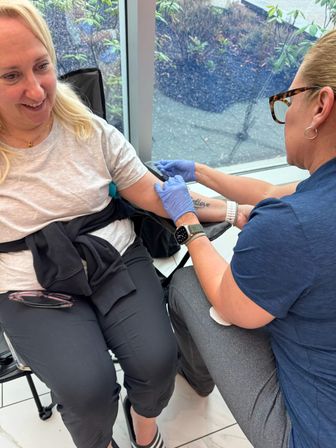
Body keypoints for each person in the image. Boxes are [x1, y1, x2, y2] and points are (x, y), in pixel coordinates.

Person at [0, 1, 239, 448]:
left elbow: (154, 192)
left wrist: (230, 210)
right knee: (86, 391)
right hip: (29, 285)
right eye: (10, 76)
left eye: (41, 66)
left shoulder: (85, 127)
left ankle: (143, 426)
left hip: (113, 257)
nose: (36, 90)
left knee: (158, 361)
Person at [154, 29, 336, 448]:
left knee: (185, 284)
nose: (285, 114)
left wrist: (187, 220)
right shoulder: (304, 211)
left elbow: (229, 302)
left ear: (320, 106)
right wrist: (200, 173)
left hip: (312, 436)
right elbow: (276, 195)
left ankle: (196, 378)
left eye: (288, 101)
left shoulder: (292, 227)